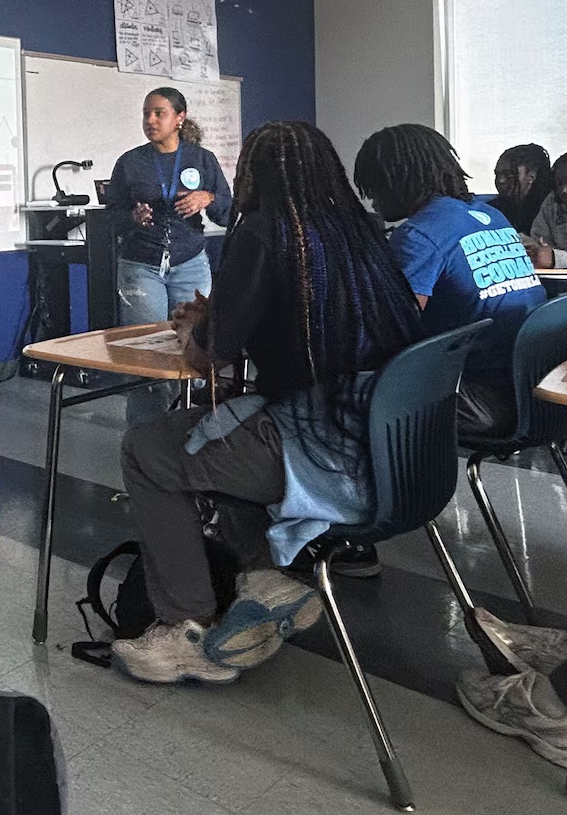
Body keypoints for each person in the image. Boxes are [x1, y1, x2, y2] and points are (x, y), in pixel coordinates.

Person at [112, 121, 424, 685]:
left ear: (252, 173)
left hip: (326, 450)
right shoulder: (360, 228)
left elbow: (210, 357)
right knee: (230, 419)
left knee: (149, 449)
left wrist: (198, 330)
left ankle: (187, 623)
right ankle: (261, 579)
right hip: (390, 447)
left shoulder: (262, 232)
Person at [352, 124, 546, 438]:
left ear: (397, 180)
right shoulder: (491, 218)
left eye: (373, 185)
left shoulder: (420, 234)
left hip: (478, 398)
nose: (371, 198)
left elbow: (386, 330)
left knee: (329, 395)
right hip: (531, 392)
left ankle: (382, 487)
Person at [104, 87, 231, 425]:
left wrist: (207, 198)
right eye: (146, 112)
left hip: (190, 263)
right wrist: (131, 218)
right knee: (145, 353)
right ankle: (144, 435)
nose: (150, 120)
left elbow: (228, 212)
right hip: (140, 266)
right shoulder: (130, 162)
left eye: (159, 112)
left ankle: (189, 426)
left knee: (195, 348)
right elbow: (110, 216)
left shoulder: (202, 159)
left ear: (179, 118)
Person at [487, 144, 554, 234]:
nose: (501, 180)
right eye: (498, 175)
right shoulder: (492, 209)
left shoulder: (550, 209)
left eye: (509, 175)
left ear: (531, 177)